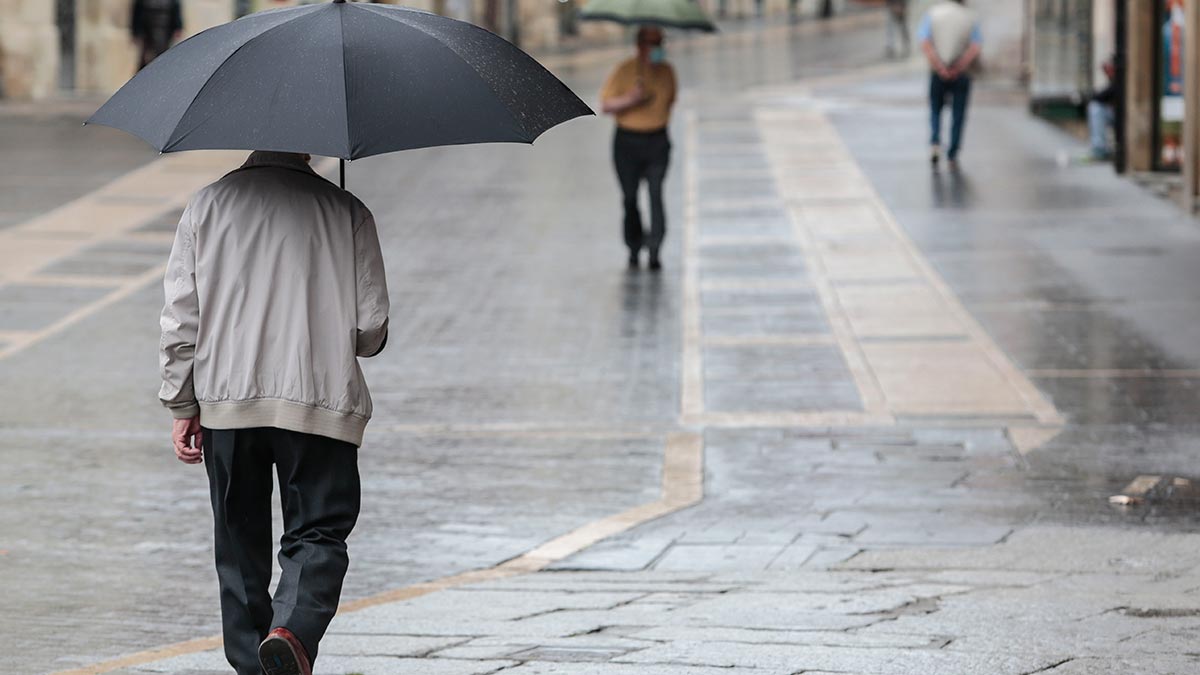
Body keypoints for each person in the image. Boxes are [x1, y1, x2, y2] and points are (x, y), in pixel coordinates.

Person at [161, 151, 389, 675]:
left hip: (226, 403)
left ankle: (252, 665)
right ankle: (292, 630)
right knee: (318, 530)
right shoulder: (346, 210)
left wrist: (182, 401)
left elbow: (180, 318)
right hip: (319, 402)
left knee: (238, 543)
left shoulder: (206, 206)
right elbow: (370, 328)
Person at [600, 26, 677, 271]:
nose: (658, 48)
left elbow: (670, 101)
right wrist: (631, 99)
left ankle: (655, 248)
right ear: (640, 45)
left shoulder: (667, 71)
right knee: (630, 197)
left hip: (657, 141)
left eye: (660, 42)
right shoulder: (624, 70)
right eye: (653, 43)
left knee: (656, 194)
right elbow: (606, 105)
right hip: (627, 143)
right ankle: (633, 245)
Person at [918, 0, 982, 167]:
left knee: (935, 108)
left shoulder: (932, 14)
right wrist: (959, 66)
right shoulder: (970, 17)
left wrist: (939, 67)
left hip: (937, 72)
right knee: (958, 113)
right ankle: (953, 153)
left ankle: (935, 141)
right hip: (961, 74)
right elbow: (975, 47)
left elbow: (925, 42)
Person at [131, 0, 183, 70]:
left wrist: (178, 27)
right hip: (147, 32)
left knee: (163, 56)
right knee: (146, 58)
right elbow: (137, 13)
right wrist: (136, 32)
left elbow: (175, 9)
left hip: (165, 32)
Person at [1088, 59, 1117, 160]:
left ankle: (1099, 150)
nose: (1107, 73)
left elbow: (1100, 96)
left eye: (1108, 69)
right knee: (1095, 108)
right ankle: (1099, 149)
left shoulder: (1120, 80)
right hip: (1115, 115)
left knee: (1096, 109)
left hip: (1123, 117)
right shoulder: (1112, 81)